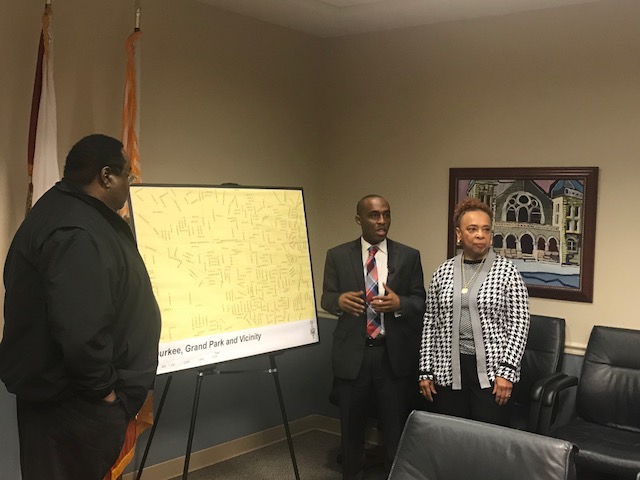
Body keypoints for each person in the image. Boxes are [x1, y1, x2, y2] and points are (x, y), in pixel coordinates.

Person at [0, 134, 161, 480]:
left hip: (68, 403)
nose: (129, 186)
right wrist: (105, 394)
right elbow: (80, 331)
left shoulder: (65, 211)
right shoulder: (76, 231)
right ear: (106, 176)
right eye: (127, 177)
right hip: (75, 406)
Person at [321, 194, 426, 480]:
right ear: (359, 219)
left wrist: (400, 304)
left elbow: (420, 301)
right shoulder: (338, 255)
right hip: (353, 355)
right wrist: (338, 301)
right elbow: (326, 298)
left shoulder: (408, 255)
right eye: (374, 215)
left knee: (394, 430)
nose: (382, 221)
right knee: (352, 431)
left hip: (391, 357)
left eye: (386, 214)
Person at [418, 197, 529, 426]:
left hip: (492, 373)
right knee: (451, 434)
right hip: (447, 369)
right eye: (472, 229)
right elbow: (430, 322)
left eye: (486, 229)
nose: (480, 235)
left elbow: (520, 323)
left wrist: (507, 371)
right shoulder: (443, 271)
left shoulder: (507, 272)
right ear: (459, 234)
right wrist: (425, 370)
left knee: (488, 440)